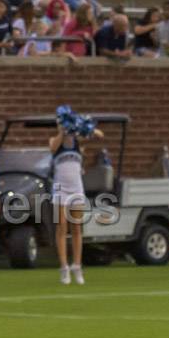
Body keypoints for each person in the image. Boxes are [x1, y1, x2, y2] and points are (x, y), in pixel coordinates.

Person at [50, 120, 104, 284]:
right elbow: (52, 148)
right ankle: (64, 267)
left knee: (77, 227)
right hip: (60, 188)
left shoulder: (78, 142)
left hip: (76, 188)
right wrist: (62, 132)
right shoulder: (55, 141)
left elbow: (99, 136)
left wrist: (83, 126)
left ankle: (77, 265)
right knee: (61, 227)